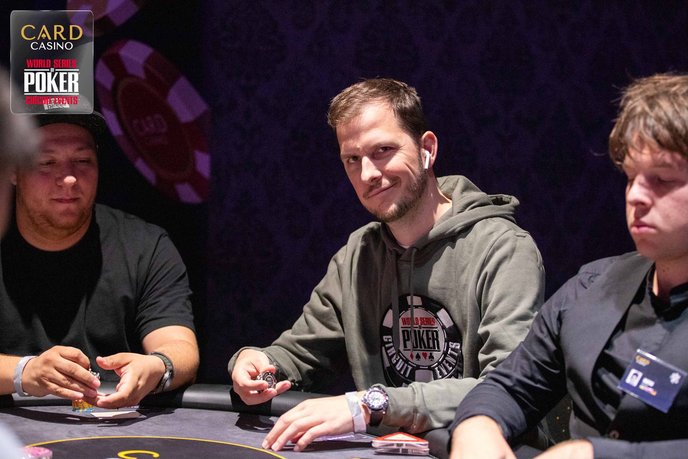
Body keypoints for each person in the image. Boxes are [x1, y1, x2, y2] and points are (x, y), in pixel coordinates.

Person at [228, 78, 545, 452]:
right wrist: (256, 363)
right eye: (352, 159)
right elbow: (297, 355)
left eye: (382, 150)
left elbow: (507, 387)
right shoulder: (358, 255)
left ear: (427, 149)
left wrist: (368, 405)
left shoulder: (503, 248)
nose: (367, 174)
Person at [449, 73, 688, 459]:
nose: (636, 196)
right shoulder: (592, 286)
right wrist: (478, 424)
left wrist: (594, 455)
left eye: (661, 179)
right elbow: (511, 387)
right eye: (631, 178)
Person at [0, 111, 199, 409]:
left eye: (82, 161)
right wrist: (24, 372)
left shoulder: (145, 245)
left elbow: (180, 348)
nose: (69, 178)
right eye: (47, 162)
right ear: (13, 170)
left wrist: (158, 366)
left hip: (114, 424)